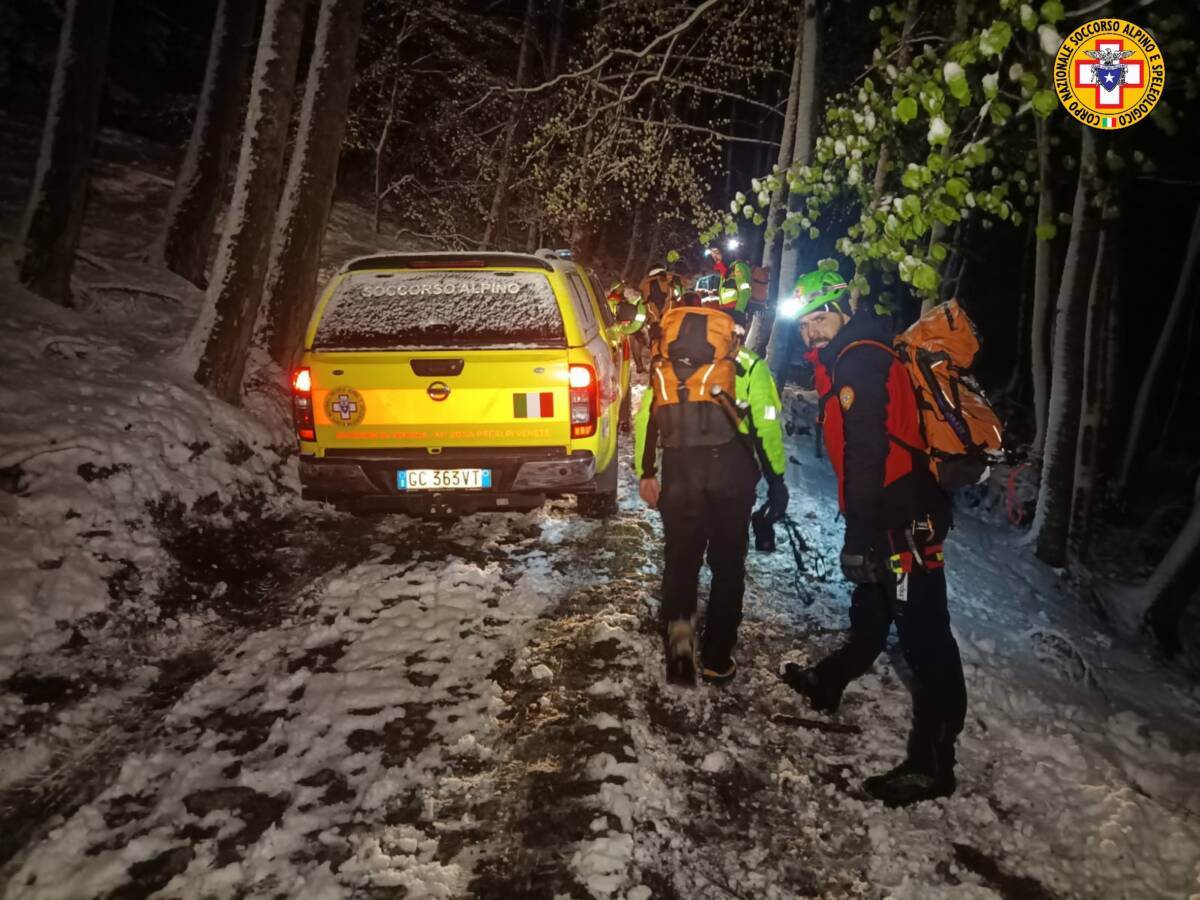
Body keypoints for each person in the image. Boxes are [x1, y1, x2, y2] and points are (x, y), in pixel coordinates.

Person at [779, 270, 967, 808]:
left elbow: (868, 453)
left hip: (904, 522)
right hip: (887, 514)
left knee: (926, 639)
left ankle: (934, 765)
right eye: (807, 325)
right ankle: (826, 682)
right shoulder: (850, 356)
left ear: (842, 311)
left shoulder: (859, 358)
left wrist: (860, 533)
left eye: (821, 319)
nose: (812, 333)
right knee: (871, 612)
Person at [635, 308, 788, 686]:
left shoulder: (665, 363)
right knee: (727, 566)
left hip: (679, 472)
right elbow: (766, 424)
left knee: (681, 563)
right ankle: (718, 658)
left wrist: (647, 472)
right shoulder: (748, 365)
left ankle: (680, 656)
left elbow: (646, 418)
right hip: (731, 477)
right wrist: (776, 480)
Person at [706, 242, 753, 314]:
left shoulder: (738, 267)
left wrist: (739, 311)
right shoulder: (725, 272)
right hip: (726, 312)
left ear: (724, 252)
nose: (714, 258)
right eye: (712, 254)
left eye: (717, 253)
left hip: (736, 312)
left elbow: (745, 290)